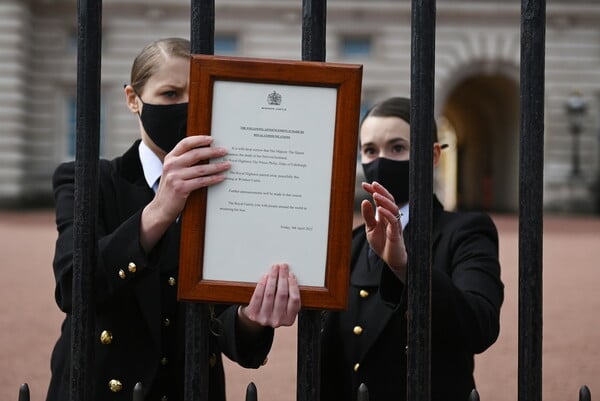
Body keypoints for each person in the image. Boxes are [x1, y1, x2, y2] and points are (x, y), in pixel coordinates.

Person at [47, 37, 301, 401]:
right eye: (170, 94)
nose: (185, 106)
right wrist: (161, 209)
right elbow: (74, 286)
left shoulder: (231, 189)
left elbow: (226, 322)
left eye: (196, 93)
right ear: (133, 99)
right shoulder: (87, 180)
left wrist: (251, 317)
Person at [320, 97, 504, 401]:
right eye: (369, 150)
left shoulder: (465, 232)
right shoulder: (350, 243)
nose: (380, 161)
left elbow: (480, 326)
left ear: (432, 155)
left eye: (397, 148)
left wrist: (406, 268)